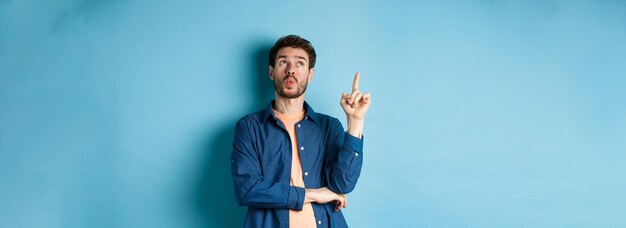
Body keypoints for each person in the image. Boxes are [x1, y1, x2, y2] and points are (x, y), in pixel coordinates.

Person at [231, 34, 371, 228]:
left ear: (310, 74)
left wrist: (355, 122)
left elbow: (343, 184)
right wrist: (314, 194)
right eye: (283, 63)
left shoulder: (329, 127)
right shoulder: (249, 127)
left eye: (299, 64)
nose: (291, 71)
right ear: (271, 72)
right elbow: (247, 188)